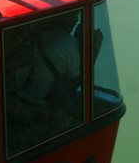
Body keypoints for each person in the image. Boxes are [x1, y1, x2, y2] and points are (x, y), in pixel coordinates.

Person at [5, 15, 83, 155]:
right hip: (40, 107)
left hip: (12, 98)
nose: (76, 20)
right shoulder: (69, 44)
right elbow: (76, 79)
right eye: (74, 15)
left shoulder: (31, 37)